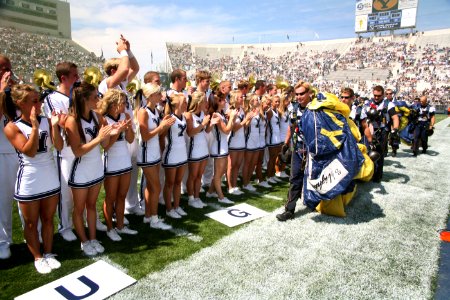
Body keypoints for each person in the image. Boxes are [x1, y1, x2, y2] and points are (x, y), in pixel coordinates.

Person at [4, 84, 63, 273]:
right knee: (30, 222)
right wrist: (36, 128)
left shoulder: (46, 119)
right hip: (29, 179)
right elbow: (29, 151)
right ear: (21, 103)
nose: (40, 104)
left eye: (40, 100)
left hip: (49, 176)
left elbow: (59, 146)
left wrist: (54, 127)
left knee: (47, 218)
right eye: (35, 101)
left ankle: (49, 253)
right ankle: (37, 257)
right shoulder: (12, 127)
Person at [65, 82, 113, 256]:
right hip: (81, 170)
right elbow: (77, 151)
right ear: (84, 99)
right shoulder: (72, 120)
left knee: (92, 205)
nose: (98, 99)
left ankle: (93, 238)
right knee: (79, 209)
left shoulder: (97, 116)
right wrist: (99, 137)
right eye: (95, 97)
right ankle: (84, 242)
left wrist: (108, 132)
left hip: (96, 168)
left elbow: (105, 145)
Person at [98, 35, 142, 217]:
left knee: (131, 173)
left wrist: (129, 50)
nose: (125, 71)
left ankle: (130, 206)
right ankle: (115, 213)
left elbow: (135, 67)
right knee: (117, 180)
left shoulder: (121, 84)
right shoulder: (106, 84)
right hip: (116, 135)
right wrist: (122, 50)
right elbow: (126, 68)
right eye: (120, 66)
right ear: (113, 70)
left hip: (127, 132)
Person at [43, 61, 81, 241]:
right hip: (64, 150)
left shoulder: (77, 94)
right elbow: (60, 122)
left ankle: (91, 220)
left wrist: (70, 120)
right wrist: (71, 120)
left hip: (81, 148)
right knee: (66, 193)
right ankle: (65, 226)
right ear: (63, 78)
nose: (78, 78)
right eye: (75, 75)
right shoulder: (52, 98)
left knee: (85, 188)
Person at [98, 89, 137, 241]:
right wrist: (116, 132)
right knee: (110, 197)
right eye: (123, 103)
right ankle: (110, 228)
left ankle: (120, 226)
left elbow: (130, 139)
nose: (125, 106)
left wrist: (126, 129)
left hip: (125, 159)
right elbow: (105, 146)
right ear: (114, 104)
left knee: (121, 196)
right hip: (111, 161)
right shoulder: (103, 119)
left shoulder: (125, 116)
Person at [137, 83, 174, 230]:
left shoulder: (155, 111)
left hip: (154, 153)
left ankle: (148, 216)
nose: (161, 96)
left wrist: (165, 125)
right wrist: (161, 127)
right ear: (151, 96)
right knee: (156, 187)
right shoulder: (143, 112)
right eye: (158, 94)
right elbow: (145, 136)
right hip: (146, 154)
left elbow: (158, 133)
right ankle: (154, 219)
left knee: (151, 187)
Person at [276, 81, 313, 221]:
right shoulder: (294, 108)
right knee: (294, 178)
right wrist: (286, 144)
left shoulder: (316, 108)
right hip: (298, 149)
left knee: (313, 177)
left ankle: (315, 202)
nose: (299, 97)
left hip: (313, 151)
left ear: (309, 93)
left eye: (302, 93)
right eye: (297, 94)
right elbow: (291, 127)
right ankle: (289, 210)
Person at [0, 54, 18, 259]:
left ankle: (36, 234)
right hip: (2, 152)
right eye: (3, 68)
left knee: (27, 198)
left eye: (9, 68)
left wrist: (12, 92)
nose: (7, 72)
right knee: (4, 200)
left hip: (20, 150)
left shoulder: (12, 90)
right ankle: (3, 241)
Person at [207, 92, 238, 204]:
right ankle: (221, 197)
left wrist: (232, 118)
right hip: (219, 147)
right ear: (217, 102)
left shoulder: (221, 113)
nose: (225, 101)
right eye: (223, 100)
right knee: (219, 174)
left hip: (223, 145)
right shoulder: (216, 115)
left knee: (220, 172)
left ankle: (210, 192)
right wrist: (232, 118)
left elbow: (229, 128)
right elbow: (226, 130)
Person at [162, 93, 189, 218]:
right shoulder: (168, 117)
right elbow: (161, 136)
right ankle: (169, 209)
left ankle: (177, 206)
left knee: (178, 182)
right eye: (184, 102)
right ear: (177, 104)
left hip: (182, 152)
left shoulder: (183, 116)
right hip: (171, 153)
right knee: (170, 183)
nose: (186, 104)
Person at [364, 85, 399, 182]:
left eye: (379, 95)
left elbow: (395, 118)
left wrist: (395, 129)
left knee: (379, 153)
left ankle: (378, 175)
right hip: (370, 130)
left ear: (383, 95)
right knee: (367, 152)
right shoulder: (368, 103)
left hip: (382, 130)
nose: (376, 97)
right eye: (375, 95)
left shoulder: (389, 104)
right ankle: (368, 173)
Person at [185, 91, 211, 208]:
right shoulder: (189, 115)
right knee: (193, 176)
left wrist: (211, 123)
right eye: (204, 101)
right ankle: (191, 198)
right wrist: (203, 124)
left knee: (199, 175)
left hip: (203, 147)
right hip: (194, 148)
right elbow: (190, 132)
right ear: (199, 102)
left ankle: (197, 197)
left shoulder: (203, 113)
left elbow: (206, 131)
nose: (206, 103)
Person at [227, 90, 254, 195]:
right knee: (231, 165)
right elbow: (233, 129)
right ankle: (229, 187)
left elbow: (244, 126)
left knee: (238, 165)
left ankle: (234, 185)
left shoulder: (241, 110)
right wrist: (245, 120)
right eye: (240, 97)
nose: (242, 98)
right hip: (233, 141)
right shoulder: (230, 111)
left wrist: (249, 119)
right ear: (235, 99)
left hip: (241, 140)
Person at [242, 95, 262, 192]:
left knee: (253, 163)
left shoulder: (259, 111)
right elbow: (245, 126)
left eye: (257, 99)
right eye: (254, 100)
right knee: (247, 163)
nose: (257, 101)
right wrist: (250, 118)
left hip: (257, 139)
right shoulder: (248, 112)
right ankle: (245, 183)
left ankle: (248, 182)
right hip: (249, 139)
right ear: (250, 102)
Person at [265, 94, 283, 184]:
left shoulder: (277, 111)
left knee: (275, 157)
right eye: (275, 101)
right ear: (271, 102)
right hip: (271, 138)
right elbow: (266, 124)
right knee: (271, 159)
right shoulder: (270, 112)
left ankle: (272, 175)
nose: (277, 103)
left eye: (278, 101)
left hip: (277, 138)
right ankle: (269, 176)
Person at [275, 88, 293, 179]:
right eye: (287, 101)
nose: (289, 103)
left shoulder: (288, 110)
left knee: (286, 154)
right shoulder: (279, 111)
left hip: (287, 135)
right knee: (279, 154)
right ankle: (277, 171)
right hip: (280, 135)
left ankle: (282, 170)